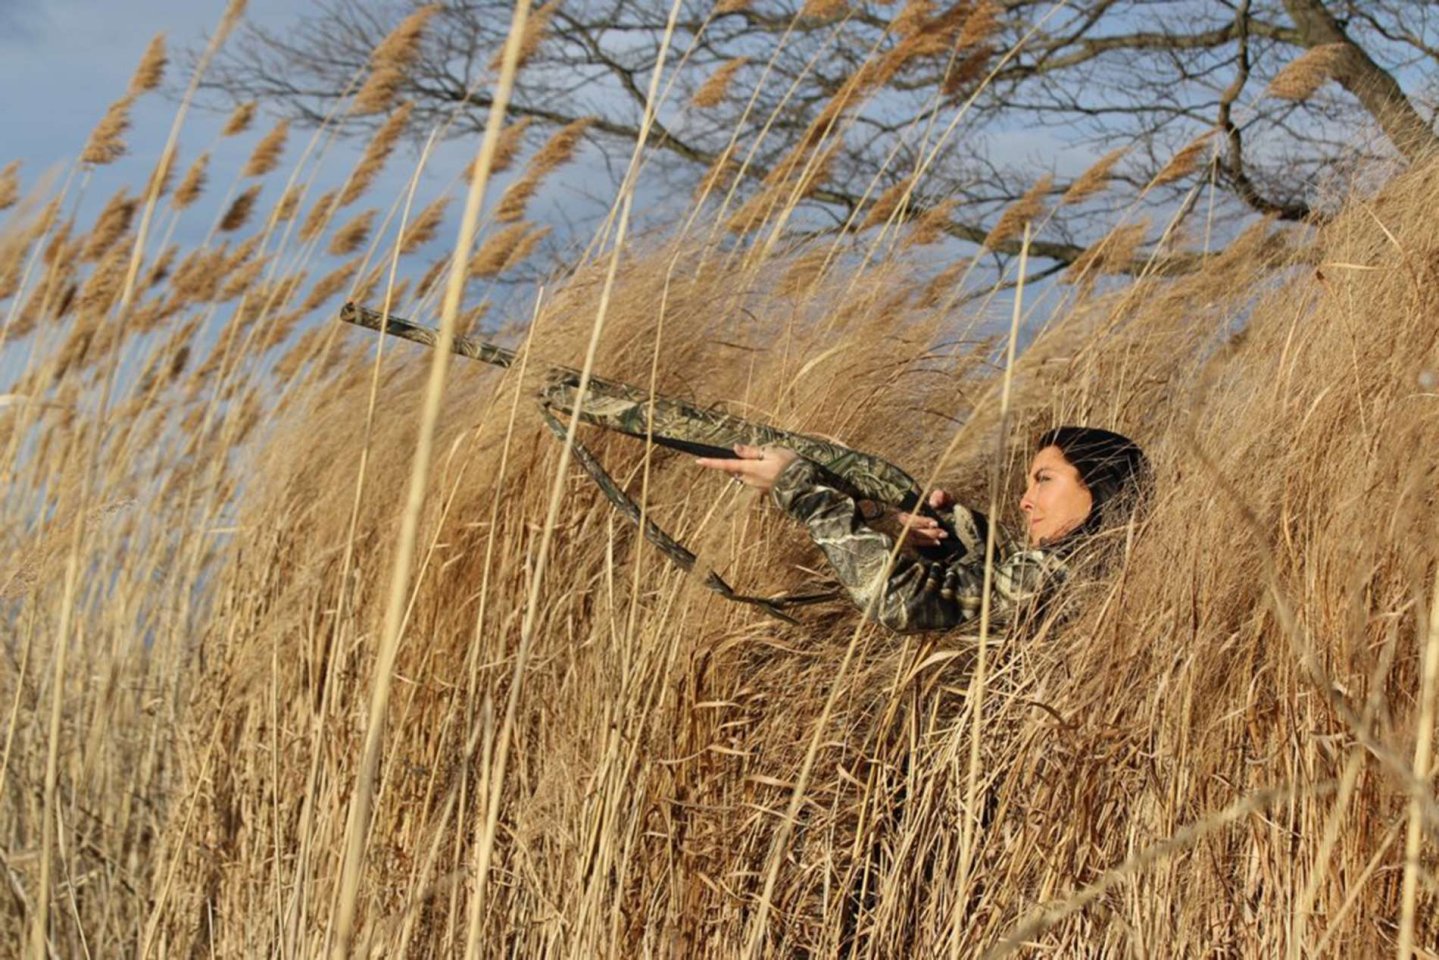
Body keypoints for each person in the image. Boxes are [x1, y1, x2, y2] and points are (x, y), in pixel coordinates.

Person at [694, 426, 1150, 633]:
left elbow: (901, 601)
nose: (1024, 500)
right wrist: (951, 531)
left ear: (1101, 486)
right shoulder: (1109, 574)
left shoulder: (1062, 574)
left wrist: (800, 489)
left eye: (1044, 480)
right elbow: (994, 581)